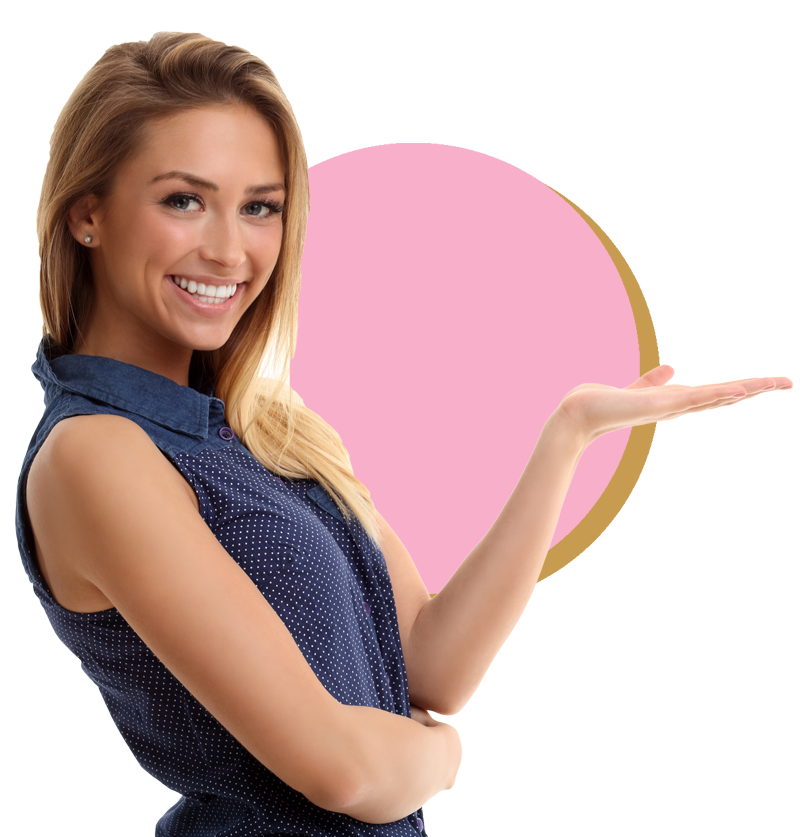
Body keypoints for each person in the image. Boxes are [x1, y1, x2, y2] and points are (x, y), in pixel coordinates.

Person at [14, 31, 792, 837]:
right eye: (183, 200)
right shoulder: (95, 454)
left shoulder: (260, 429)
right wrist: (443, 757)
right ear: (87, 217)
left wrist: (568, 435)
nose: (229, 248)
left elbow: (429, 659)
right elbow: (344, 769)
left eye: (260, 207)